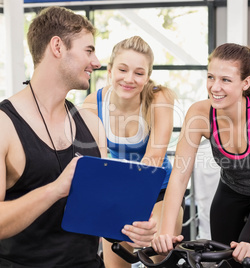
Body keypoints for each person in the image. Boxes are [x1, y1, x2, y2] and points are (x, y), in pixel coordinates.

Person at [0, 7, 156, 267]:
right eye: (88, 50)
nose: (96, 62)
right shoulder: (5, 125)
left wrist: (134, 230)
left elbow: (104, 219)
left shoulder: (92, 125)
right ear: (58, 47)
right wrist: (54, 190)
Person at [148, 43, 250, 268]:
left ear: (245, 83)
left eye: (226, 80)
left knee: (246, 258)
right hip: (233, 189)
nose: (215, 87)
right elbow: (179, 176)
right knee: (222, 259)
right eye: (211, 77)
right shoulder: (199, 113)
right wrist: (166, 235)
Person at [83, 35, 183, 267]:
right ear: (109, 70)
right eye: (122, 70)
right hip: (118, 192)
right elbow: (98, 163)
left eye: (139, 73)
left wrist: (134, 215)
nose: (129, 79)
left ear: (148, 76)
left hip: (159, 191)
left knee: (160, 252)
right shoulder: (93, 103)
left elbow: (154, 159)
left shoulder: (159, 98)